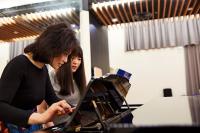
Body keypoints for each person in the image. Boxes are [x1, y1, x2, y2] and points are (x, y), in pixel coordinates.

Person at [0, 23, 78, 132]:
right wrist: (41, 117)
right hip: (13, 126)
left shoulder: (43, 68)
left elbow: (52, 99)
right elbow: (1, 107)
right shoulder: (19, 64)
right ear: (53, 47)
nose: (66, 60)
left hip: (32, 124)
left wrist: (71, 108)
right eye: (65, 54)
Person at [38, 45, 86, 127]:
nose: (76, 62)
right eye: (72, 58)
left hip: (77, 125)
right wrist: (51, 126)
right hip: (56, 126)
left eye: (79, 59)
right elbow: (41, 108)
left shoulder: (79, 79)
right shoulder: (50, 76)